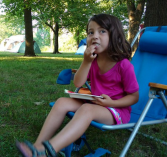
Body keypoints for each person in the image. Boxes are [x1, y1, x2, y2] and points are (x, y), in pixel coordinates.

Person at [16, 13, 139, 157]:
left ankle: (48, 151)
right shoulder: (93, 60)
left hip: (116, 110)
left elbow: (134, 97)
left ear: (114, 35)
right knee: (62, 102)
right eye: (90, 32)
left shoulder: (124, 65)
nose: (94, 36)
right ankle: (37, 146)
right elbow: (78, 82)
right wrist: (86, 62)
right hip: (97, 103)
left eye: (102, 31)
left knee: (87, 109)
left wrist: (112, 102)